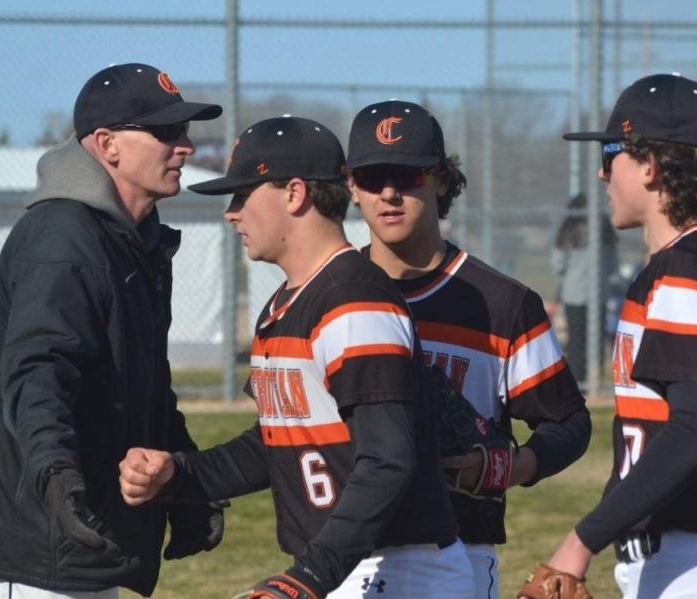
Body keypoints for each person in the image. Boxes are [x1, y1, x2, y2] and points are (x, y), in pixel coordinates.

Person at [118, 116, 472, 598]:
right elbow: (279, 442)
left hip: (397, 568)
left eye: (243, 194)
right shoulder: (292, 300)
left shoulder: (354, 300)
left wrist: (308, 577)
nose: (232, 212)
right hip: (352, 566)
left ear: (295, 194)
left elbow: (388, 460)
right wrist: (179, 474)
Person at [0, 63, 225, 598]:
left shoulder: (131, 239)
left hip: (86, 534)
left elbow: (143, 386)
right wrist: (55, 475)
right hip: (37, 543)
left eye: (185, 131)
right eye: (165, 132)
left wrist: (188, 485)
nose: (185, 146)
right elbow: (36, 373)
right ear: (107, 144)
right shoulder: (64, 238)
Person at [521, 74, 697, 599]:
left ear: (649, 164)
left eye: (611, 153)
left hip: (696, 565)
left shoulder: (689, 269)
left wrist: (578, 545)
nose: (602, 173)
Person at [346, 99, 591, 598]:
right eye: (373, 178)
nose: (390, 192)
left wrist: (513, 466)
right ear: (351, 186)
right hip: (344, 551)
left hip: (457, 550)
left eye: (408, 175)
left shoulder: (502, 303)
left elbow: (569, 422)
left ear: (439, 178)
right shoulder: (331, 296)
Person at [551, 192, 618, 382]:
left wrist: (559, 290)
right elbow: (613, 265)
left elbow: (558, 265)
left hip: (574, 293)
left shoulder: (568, 232)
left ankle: (580, 381)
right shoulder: (604, 230)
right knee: (596, 337)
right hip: (599, 293)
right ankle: (595, 378)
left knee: (576, 339)